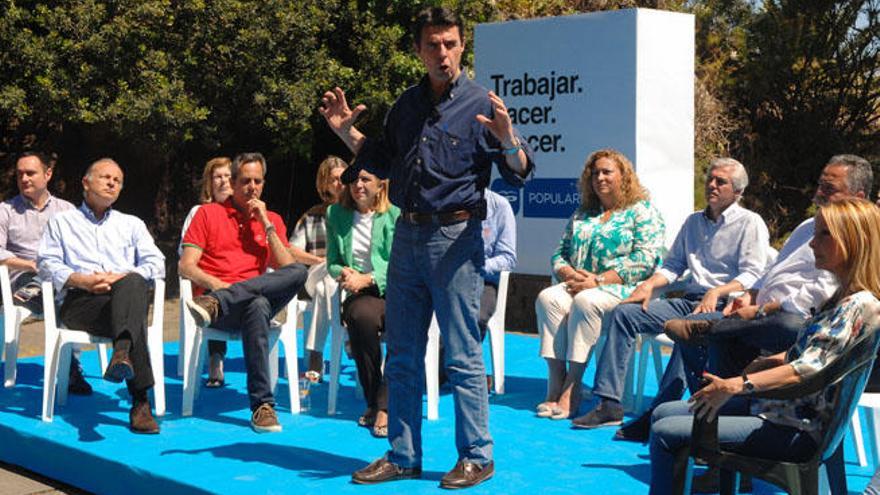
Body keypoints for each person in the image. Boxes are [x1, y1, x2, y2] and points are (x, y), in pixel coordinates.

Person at [319, 7, 535, 488]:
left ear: (462, 47)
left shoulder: (481, 104)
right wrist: (342, 131)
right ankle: (403, 454)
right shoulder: (407, 105)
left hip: (456, 238)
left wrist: (506, 138)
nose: (443, 53)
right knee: (402, 353)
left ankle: (477, 456)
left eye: (451, 44)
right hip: (408, 236)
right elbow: (378, 158)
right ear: (419, 50)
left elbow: (520, 169)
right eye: (433, 45)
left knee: (461, 355)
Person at [618, 155, 873, 448]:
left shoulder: (853, 278)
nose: (814, 242)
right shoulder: (808, 227)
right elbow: (769, 272)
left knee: (743, 328)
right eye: (820, 184)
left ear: (858, 197)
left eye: (829, 188)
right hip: (756, 315)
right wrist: (749, 295)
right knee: (684, 332)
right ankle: (702, 413)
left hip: (788, 334)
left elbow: (812, 325)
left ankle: (713, 349)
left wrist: (740, 379)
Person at [648, 198, 880, 495]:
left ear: (854, 242)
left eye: (824, 234)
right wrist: (768, 362)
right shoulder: (840, 297)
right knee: (663, 412)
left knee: (665, 432)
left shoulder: (859, 306)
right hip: (781, 409)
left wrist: (736, 384)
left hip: (795, 428)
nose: (812, 244)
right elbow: (816, 354)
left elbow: (804, 372)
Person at [574, 157, 770, 429]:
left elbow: (754, 274)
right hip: (688, 299)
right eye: (709, 179)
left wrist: (718, 291)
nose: (711, 185)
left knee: (686, 328)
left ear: (737, 191)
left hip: (726, 306)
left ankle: (658, 411)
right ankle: (609, 403)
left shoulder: (751, 223)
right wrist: (649, 285)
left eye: (720, 182)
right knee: (624, 313)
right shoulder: (693, 222)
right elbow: (673, 265)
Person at [180, 152, 307, 433]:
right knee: (259, 305)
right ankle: (263, 407)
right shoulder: (207, 213)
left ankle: (221, 300)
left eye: (258, 181)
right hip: (220, 309)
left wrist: (265, 223)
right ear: (234, 182)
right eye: (246, 181)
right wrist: (215, 285)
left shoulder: (270, 218)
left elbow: (286, 269)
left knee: (298, 272)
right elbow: (186, 267)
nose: (252, 187)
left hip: (219, 303)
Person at [535, 149, 665, 420]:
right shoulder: (584, 213)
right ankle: (555, 381)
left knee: (586, 302)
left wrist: (599, 279)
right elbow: (560, 252)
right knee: (548, 298)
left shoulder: (642, 211)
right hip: (580, 283)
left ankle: (572, 386)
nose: (600, 178)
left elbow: (647, 259)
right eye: (595, 173)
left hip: (623, 289)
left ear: (624, 176)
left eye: (607, 172)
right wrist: (570, 274)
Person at [38, 158, 166, 433]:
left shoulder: (131, 224)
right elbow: (46, 264)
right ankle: (140, 401)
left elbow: (157, 263)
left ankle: (122, 353)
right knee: (134, 315)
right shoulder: (62, 222)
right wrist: (82, 281)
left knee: (132, 282)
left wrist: (120, 277)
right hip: (80, 302)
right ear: (86, 183)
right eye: (105, 177)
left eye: (117, 180)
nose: (111, 183)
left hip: (122, 297)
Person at [0, 151, 91, 395]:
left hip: (60, 278)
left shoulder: (67, 210)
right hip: (23, 278)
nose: (25, 178)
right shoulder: (5, 211)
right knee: (48, 280)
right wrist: (29, 264)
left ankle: (71, 367)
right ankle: (71, 369)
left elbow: (82, 249)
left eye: (31, 173)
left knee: (63, 282)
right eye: (20, 174)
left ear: (47, 174)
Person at [325, 168, 400, 437]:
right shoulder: (335, 214)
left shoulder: (395, 215)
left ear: (380, 185)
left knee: (403, 324)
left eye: (366, 179)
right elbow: (332, 261)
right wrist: (343, 272)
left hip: (395, 289)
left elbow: (401, 263)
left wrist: (368, 278)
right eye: (354, 179)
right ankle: (373, 400)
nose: (358, 184)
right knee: (361, 318)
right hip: (359, 294)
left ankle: (385, 406)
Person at [437, 188, 517, 387]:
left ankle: (450, 371)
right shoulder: (444, 202)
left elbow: (508, 258)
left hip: (484, 280)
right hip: (445, 277)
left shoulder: (500, 206)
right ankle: (440, 369)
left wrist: (477, 266)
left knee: (475, 316)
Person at [179, 157, 233, 387]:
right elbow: (185, 255)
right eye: (217, 176)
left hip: (239, 281)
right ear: (209, 184)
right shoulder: (199, 212)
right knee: (215, 291)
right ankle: (215, 358)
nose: (223, 181)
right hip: (207, 282)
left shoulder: (243, 211)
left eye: (228, 176)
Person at [293, 155, 348, 379]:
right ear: (324, 184)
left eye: (343, 178)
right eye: (334, 180)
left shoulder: (358, 214)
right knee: (327, 273)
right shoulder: (312, 215)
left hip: (342, 282)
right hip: (314, 275)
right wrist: (323, 262)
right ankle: (350, 341)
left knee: (328, 286)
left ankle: (315, 358)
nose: (340, 184)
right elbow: (291, 250)